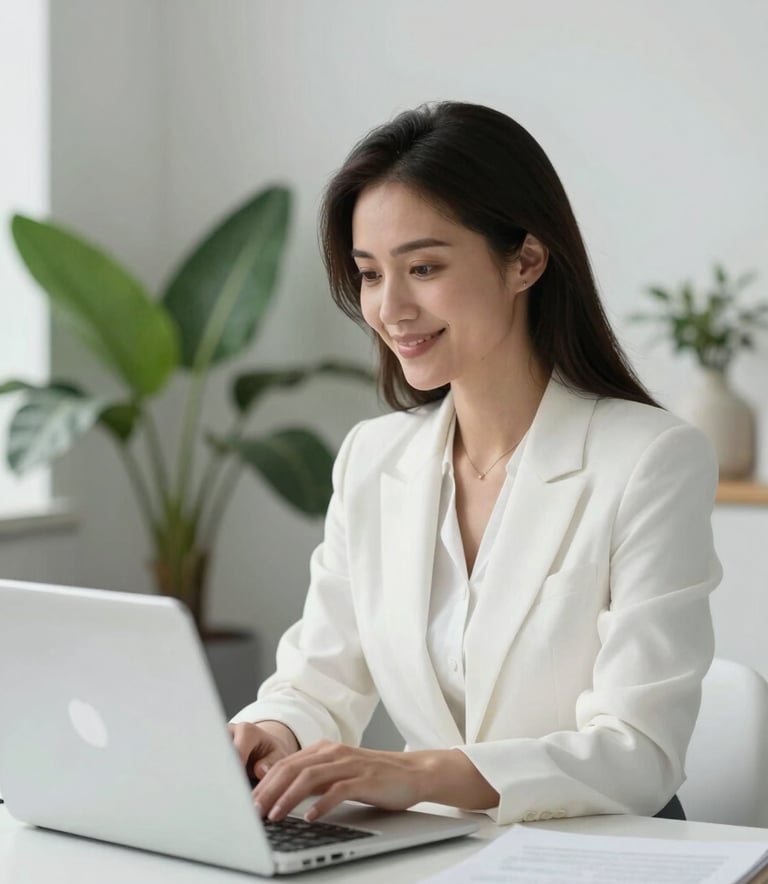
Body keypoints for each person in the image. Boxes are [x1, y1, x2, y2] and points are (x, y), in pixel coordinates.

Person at [229, 101, 722, 827]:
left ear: (525, 260)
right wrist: (273, 732)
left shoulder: (650, 459)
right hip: (440, 854)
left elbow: (638, 752)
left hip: (600, 852)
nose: (390, 307)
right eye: (369, 274)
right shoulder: (373, 458)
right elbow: (320, 678)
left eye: (423, 267)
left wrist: (411, 772)